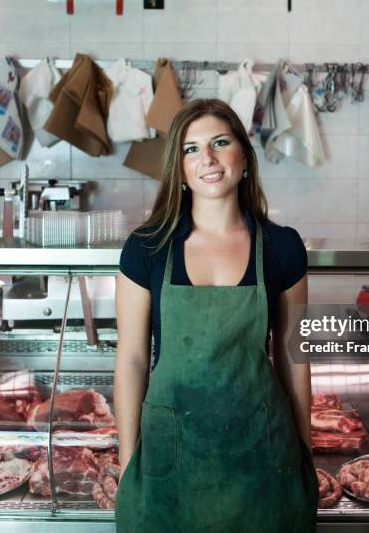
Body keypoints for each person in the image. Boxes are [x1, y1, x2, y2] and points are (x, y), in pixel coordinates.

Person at [114, 99, 318, 532]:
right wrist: (129, 464)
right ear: (180, 169)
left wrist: (303, 452)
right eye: (190, 149)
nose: (206, 158)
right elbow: (131, 360)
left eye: (219, 143)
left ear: (243, 155)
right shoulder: (145, 247)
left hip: (262, 458)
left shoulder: (282, 247)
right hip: (171, 462)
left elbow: (293, 355)